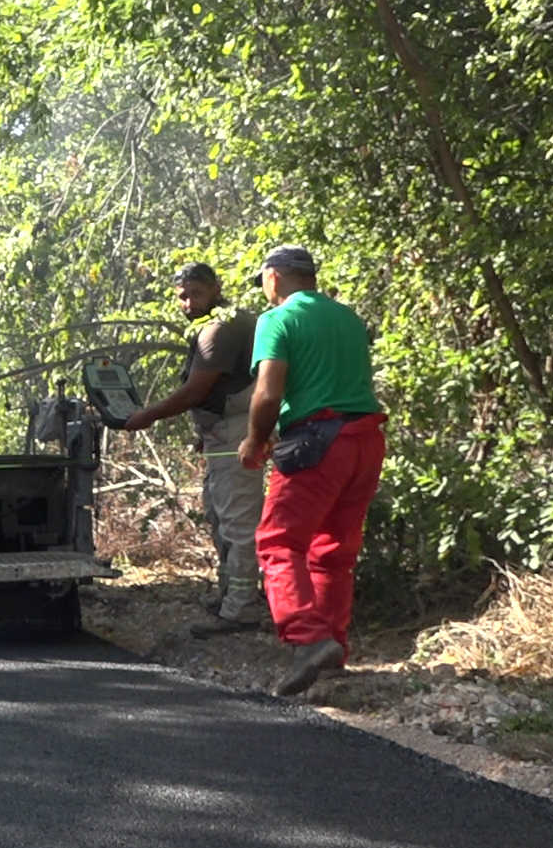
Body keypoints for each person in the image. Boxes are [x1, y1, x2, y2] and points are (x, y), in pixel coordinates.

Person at [236, 245, 386, 697]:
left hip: (315, 442)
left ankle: (307, 637)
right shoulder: (348, 318)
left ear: (275, 277)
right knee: (333, 551)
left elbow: (266, 393)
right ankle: (332, 652)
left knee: (279, 542)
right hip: (364, 441)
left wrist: (255, 441)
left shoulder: (277, 319)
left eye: (263, 278)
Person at [121, 263, 265, 636]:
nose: (188, 303)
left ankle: (242, 609)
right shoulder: (222, 324)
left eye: (195, 294)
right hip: (222, 435)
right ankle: (230, 597)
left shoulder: (219, 328)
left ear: (216, 288)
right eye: (182, 296)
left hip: (235, 437)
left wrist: (147, 416)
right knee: (222, 519)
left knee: (238, 523)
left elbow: (197, 389)